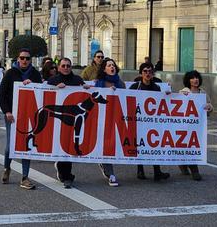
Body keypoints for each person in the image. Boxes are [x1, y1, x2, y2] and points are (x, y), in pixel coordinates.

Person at [0, 48, 42, 190]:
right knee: (10, 146)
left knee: (26, 146)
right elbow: (1, 94)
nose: (24, 60)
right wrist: (7, 111)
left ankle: (25, 176)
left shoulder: (35, 74)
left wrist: (34, 85)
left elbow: (42, 92)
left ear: (30, 60)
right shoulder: (11, 73)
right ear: (18, 59)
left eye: (27, 58)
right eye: (22, 58)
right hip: (13, 115)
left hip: (29, 114)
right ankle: (7, 168)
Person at [46, 58, 90, 188]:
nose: (66, 68)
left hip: (73, 118)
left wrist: (86, 88)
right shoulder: (53, 80)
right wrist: (54, 88)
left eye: (68, 66)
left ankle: (67, 175)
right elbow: (44, 93)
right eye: (63, 65)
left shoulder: (77, 80)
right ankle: (62, 171)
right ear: (59, 67)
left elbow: (85, 95)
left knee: (69, 146)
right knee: (60, 144)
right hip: (59, 118)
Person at [129, 62, 171, 182]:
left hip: (153, 122)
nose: (148, 73)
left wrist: (167, 95)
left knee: (154, 144)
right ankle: (140, 169)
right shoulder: (135, 87)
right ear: (141, 73)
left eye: (150, 71)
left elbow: (162, 103)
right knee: (140, 144)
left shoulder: (157, 88)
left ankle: (157, 171)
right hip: (139, 121)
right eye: (145, 71)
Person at [94, 57, 125, 187]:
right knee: (106, 144)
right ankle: (110, 173)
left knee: (112, 144)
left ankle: (105, 165)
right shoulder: (99, 83)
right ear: (104, 69)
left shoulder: (120, 83)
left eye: (113, 65)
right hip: (102, 118)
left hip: (116, 118)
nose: (111, 67)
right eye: (108, 65)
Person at [179, 70, 214, 181]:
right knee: (187, 146)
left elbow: (209, 106)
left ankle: (183, 164)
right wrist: (182, 96)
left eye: (197, 78)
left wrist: (209, 107)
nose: (195, 80)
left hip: (198, 126)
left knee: (193, 146)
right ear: (188, 81)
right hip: (185, 126)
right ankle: (194, 170)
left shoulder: (203, 93)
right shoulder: (185, 91)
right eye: (193, 78)